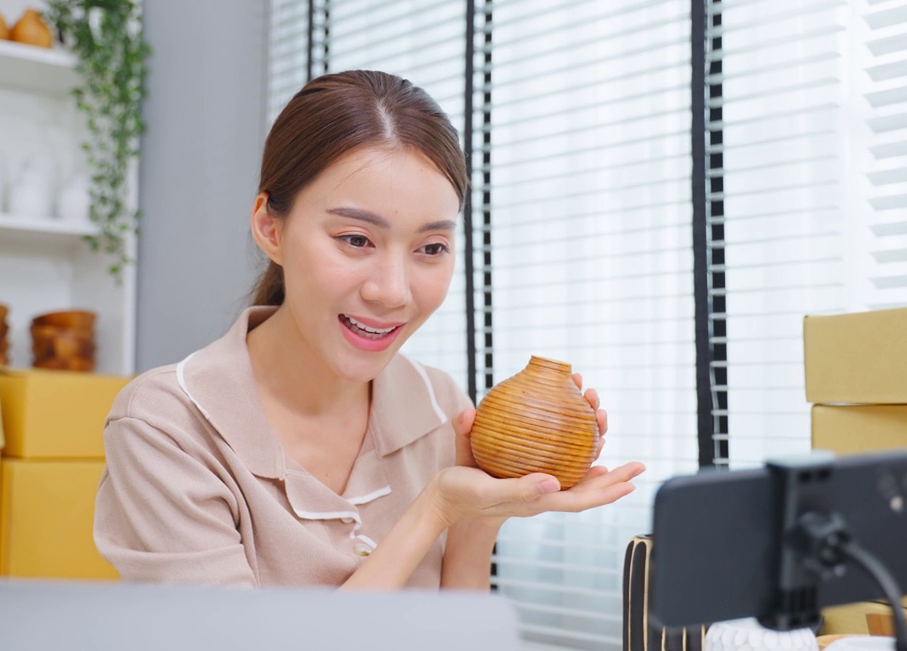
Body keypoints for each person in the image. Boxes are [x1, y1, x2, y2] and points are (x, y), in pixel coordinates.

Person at [94, 69, 645, 590]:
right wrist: (435, 511)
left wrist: (484, 514)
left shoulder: (441, 409)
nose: (393, 291)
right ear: (270, 227)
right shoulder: (167, 427)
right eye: (356, 239)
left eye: (431, 248)